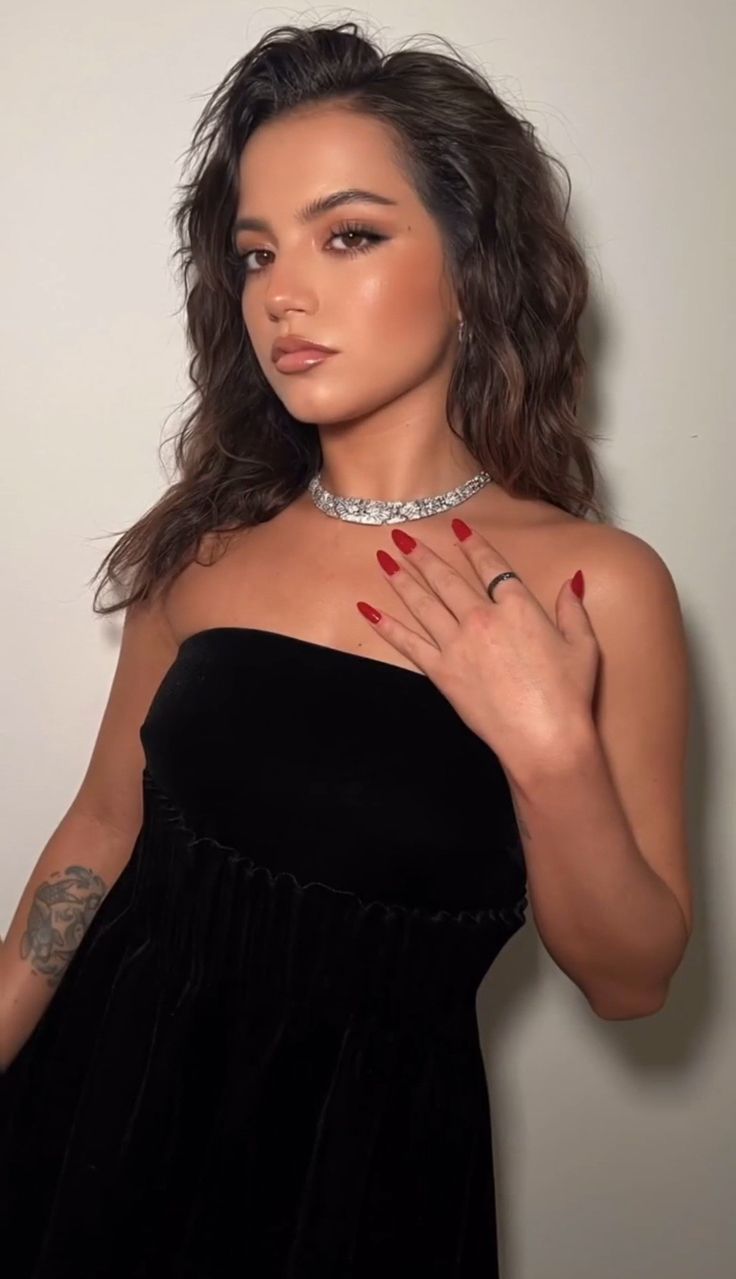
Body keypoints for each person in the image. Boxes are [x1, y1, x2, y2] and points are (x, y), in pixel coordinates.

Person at [0, 20, 693, 1278]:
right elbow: (98, 835)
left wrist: (548, 750)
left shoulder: (597, 585)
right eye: (255, 252)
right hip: (95, 1113)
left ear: (472, 266)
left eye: (350, 235)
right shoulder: (207, 552)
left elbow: (631, 980)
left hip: (366, 1177)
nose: (282, 292)